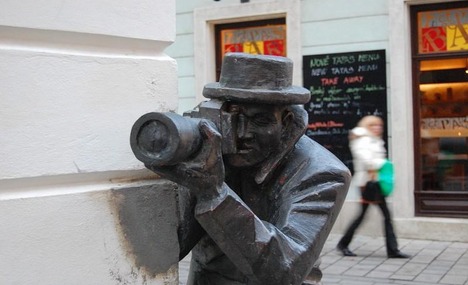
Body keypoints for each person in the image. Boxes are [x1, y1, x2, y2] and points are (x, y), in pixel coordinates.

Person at [140, 53, 351, 285]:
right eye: (233, 119)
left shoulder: (322, 173)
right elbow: (170, 249)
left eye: (260, 121)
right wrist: (185, 170)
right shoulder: (212, 152)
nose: (242, 134)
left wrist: (215, 195)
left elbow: (284, 271)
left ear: (287, 121)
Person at [336, 115, 410, 259]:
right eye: (373, 126)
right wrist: (380, 164)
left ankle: (344, 244)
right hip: (368, 184)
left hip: (374, 183)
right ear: (367, 127)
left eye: (379, 126)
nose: (377, 128)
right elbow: (365, 159)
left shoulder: (374, 140)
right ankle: (391, 249)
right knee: (377, 216)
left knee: (372, 215)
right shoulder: (362, 139)